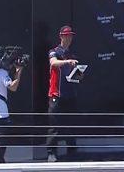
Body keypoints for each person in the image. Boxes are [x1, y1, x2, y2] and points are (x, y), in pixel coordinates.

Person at [46, 25, 79, 162]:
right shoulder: (54, 51)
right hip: (56, 94)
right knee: (54, 125)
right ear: (61, 36)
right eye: (66, 35)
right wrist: (67, 62)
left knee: (70, 123)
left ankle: (72, 150)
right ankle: (51, 153)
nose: (69, 38)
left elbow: (75, 76)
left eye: (70, 36)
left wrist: (79, 74)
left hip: (70, 94)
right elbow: (53, 63)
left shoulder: (72, 54)